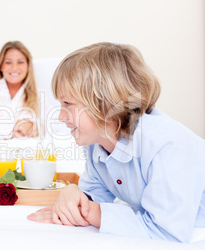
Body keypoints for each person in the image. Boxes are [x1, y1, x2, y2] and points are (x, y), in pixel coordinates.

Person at [27, 42, 205, 242]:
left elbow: (166, 232)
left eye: (68, 104)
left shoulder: (164, 143)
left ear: (105, 103)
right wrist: (73, 194)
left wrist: (90, 213)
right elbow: (95, 192)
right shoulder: (97, 143)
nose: (60, 116)